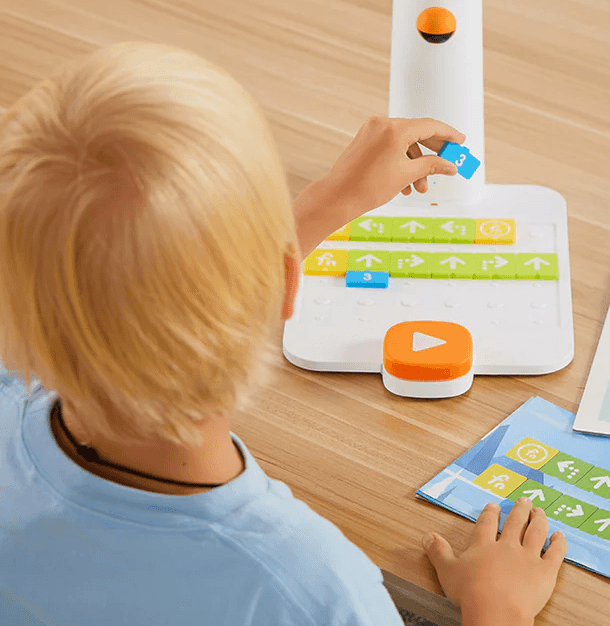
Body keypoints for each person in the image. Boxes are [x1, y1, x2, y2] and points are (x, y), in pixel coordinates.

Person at [0, 42, 566, 626]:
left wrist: (323, 206)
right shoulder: (313, 591)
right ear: (290, 282)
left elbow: (112, 300)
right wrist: (497, 610)